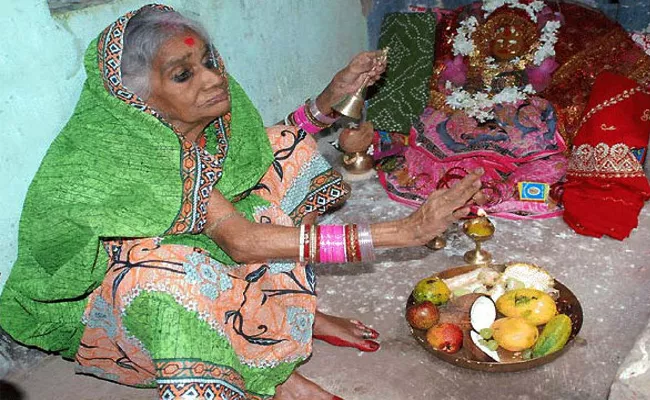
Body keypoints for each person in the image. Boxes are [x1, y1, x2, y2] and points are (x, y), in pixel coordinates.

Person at [0, 5, 484, 400]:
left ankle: (289, 315)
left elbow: (260, 145)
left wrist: (332, 97)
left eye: (209, 62)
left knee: (288, 151)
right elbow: (242, 241)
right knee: (162, 279)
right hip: (120, 284)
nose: (211, 80)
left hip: (209, 229)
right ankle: (264, 375)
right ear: (139, 98)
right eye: (182, 75)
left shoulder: (201, 120)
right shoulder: (126, 153)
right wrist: (400, 232)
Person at [371, 0, 650, 220]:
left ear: (529, 45)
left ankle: (498, 191)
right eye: (499, 37)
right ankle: (458, 187)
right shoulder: (470, 63)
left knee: (550, 158)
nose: (505, 43)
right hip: (469, 108)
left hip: (518, 116)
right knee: (431, 140)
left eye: (515, 38)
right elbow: (445, 92)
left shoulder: (537, 86)